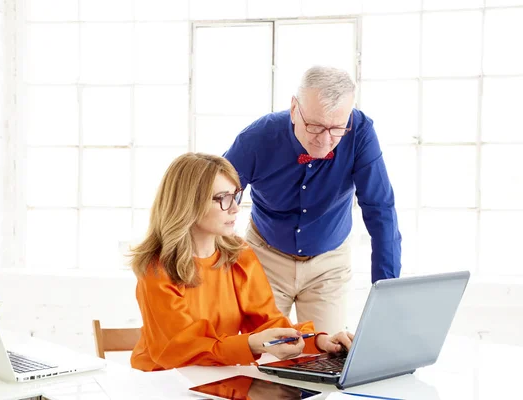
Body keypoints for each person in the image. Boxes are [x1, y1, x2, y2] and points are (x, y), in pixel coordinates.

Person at [129, 153, 353, 372]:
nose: (235, 208)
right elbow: (182, 348)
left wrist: (320, 341)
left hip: (216, 374)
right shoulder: (156, 268)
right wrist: (252, 343)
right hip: (163, 380)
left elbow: (269, 323)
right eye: (223, 199)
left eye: (235, 196)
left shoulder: (239, 254)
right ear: (189, 204)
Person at [223, 66, 401, 334]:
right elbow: (216, 196)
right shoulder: (257, 138)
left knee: (325, 358)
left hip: (328, 265)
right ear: (294, 108)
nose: (326, 140)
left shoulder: (361, 133)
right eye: (315, 126)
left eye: (337, 128)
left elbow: (380, 210)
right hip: (264, 259)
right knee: (260, 352)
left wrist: (386, 295)